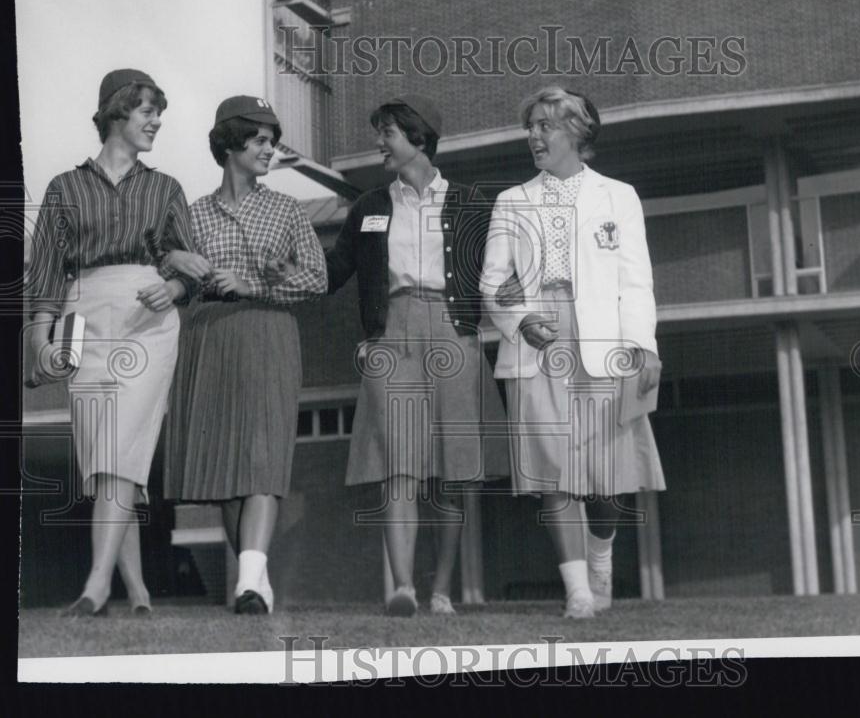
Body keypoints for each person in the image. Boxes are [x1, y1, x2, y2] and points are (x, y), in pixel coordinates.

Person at [480, 86, 665, 618]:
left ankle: (600, 555)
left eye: (546, 126)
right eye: (531, 126)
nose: (535, 136)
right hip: (539, 342)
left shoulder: (618, 196)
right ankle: (578, 591)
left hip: (605, 340)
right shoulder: (511, 202)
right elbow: (493, 282)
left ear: (577, 133)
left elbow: (637, 281)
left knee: (608, 478)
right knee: (554, 469)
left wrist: (643, 346)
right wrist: (519, 320)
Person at [27, 68, 201, 616]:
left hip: (147, 320)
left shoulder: (166, 187)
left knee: (123, 442)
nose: (156, 122)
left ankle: (97, 584)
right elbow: (48, 274)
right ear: (117, 112)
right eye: (148, 110)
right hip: (82, 316)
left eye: (159, 113)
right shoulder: (64, 188)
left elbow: (189, 269)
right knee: (104, 458)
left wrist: (171, 287)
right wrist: (38, 340)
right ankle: (140, 591)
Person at [325, 94, 508, 616]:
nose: (379, 142)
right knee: (398, 466)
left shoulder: (472, 203)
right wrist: (279, 265)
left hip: (454, 334)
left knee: (451, 470)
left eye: (388, 133)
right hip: (393, 336)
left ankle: (443, 591)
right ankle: (404, 588)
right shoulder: (369, 207)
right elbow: (335, 272)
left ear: (419, 138)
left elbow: (498, 273)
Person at [161, 96, 326, 614]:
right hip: (208, 340)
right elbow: (180, 285)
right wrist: (176, 275)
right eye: (259, 140)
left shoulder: (287, 210)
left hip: (268, 335)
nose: (268, 150)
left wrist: (253, 283)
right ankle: (255, 580)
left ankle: (250, 583)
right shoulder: (190, 214)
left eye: (272, 141)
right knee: (226, 475)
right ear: (231, 142)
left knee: (261, 459)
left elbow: (317, 278)